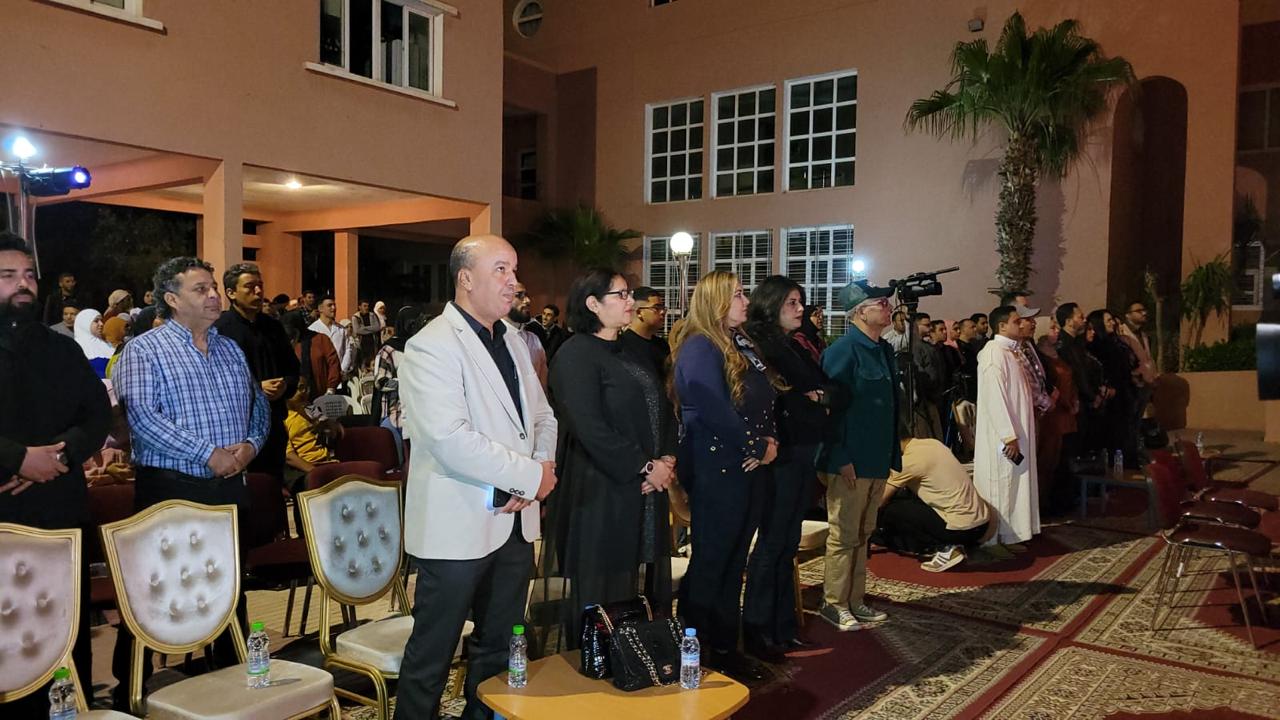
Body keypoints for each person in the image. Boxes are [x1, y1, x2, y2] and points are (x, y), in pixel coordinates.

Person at [396, 234, 558, 720]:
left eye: (514, 270)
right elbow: (449, 438)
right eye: (501, 269)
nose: (514, 282)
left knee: (498, 647)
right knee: (433, 653)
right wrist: (529, 477)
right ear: (465, 278)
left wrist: (541, 466)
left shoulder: (513, 338)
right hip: (457, 524)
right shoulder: (431, 345)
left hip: (513, 523)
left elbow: (543, 417)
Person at [112, 256, 269, 710]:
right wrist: (209, 454)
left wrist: (250, 446)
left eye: (214, 287)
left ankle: (233, 683)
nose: (215, 295)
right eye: (201, 289)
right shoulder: (145, 350)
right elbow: (144, 420)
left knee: (229, 589)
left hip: (229, 487)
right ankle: (130, 691)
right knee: (156, 592)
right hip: (172, 490)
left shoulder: (230, 349)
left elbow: (258, 405)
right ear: (172, 299)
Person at [0, 232, 111, 714]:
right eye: (7, 276)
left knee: (65, 633)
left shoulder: (61, 349)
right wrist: (17, 457)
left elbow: (97, 415)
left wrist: (59, 457)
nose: (23, 284)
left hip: (59, 512)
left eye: (28, 274)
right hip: (3, 512)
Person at [542, 268, 676, 648]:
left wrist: (666, 459)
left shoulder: (629, 350)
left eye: (629, 293)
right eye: (621, 294)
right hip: (600, 488)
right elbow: (589, 427)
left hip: (643, 486)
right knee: (602, 589)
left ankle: (633, 659)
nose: (630, 301)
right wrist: (645, 466)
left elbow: (662, 409)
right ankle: (598, 662)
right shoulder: (575, 355)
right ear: (593, 304)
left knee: (634, 587)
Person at [672, 270, 779, 682]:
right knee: (712, 561)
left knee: (734, 562)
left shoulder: (739, 342)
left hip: (745, 464)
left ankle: (723, 646)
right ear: (715, 300)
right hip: (717, 466)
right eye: (737, 294)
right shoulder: (700, 345)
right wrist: (754, 445)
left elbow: (763, 399)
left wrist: (769, 442)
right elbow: (711, 407)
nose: (745, 301)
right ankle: (693, 649)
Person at [742, 276, 839, 661]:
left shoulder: (791, 344)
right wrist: (809, 397)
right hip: (780, 454)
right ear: (771, 305)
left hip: (801, 450)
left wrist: (815, 396)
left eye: (801, 302)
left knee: (787, 542)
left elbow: (827, 388)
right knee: (773, 542)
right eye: (792, 303)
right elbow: (785, 398)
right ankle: (758, 628)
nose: (801, 309)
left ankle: (783, 626)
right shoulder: (761, 345)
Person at [816, 280, 900, 631]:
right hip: (850, 459)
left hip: (876, 457)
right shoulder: (843, 350)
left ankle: (855, 599)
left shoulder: (883, 350)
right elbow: (829, 411)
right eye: (881, 303)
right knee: (844, 534)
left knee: (864, 533)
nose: (888, 307)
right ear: (860, 312)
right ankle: (834, 602)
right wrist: (839, 456)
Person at [214, 262, 300, 482]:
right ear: (231, 293)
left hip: (272, 427)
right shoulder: (219, 329)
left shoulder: (273, 327)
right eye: (250, 286)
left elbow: (292, 368)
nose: (259, 291)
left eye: (260, 285)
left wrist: (284, 386)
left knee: (270, 489)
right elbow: (212, 381)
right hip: (235, 432)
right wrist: (256, 389)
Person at [973, 305, 1040, 549]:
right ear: (1001, 326)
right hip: (1003, 437)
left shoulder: (1011, 352)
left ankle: (1011, 535)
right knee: (1001, 485)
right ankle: (994, 539)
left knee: (1014, 484)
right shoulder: (993, 353)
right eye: (1016, 321)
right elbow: (995, 397)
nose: (1021, 324)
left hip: (1017, 431)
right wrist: (1008, 435)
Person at [877, 433, 994, 572]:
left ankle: (944, 548)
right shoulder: (933, 443)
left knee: (892, 510)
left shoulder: (907, 462)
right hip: (983, 525)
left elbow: (879, 501)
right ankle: (958, 544)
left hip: (961, 530)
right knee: (911, 499)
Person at [1036, 320, 1078, 513]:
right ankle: (1045, 503)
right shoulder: (1041, 360)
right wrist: (1064, 401)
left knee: (1063, 459)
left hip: (1066, 414)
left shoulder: (1059, 355)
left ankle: (1061, 500)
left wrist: (1074, 400)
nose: (1057, 331)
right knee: (1048, 460)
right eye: (1052, 328)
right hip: (1052, 416)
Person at [373, 305, 426, 441]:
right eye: (411, 324)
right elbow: (380, 381)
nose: (414, 327)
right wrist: (405, 383)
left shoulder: (421, 348)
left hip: (419, 414)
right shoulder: (389, 350)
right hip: (394, 414)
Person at [503, 281, 548, 389]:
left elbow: (542, 386)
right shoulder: (491, 339)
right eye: (519, 296)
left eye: (526, 295)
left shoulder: (534, 340)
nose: (527, 300)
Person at [619, 285, 671, 377]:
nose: (662, 312)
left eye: (663, 308)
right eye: (656, 308)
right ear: (639, 312)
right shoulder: (622, 346)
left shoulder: (661, 345)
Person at [311, 296, 355, 379]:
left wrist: (343, 369)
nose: (333, 308)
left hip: (340, 374)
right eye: (329, 305)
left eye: (334, 305)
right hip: (321, 376)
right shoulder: (313, 329)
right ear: (320, 309)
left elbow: (348, 349)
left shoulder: (341, 329)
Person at [74, 308, 114, 378]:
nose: (101, 324)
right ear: (85, 323)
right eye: (96, 321)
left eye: (101, 320)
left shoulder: (108, 344)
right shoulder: (75, 347)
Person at [351, 298, 383, 373]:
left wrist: (364, 329)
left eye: (367, 306)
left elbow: (377, 327)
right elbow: (357, 330)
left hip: (372, 343)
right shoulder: (355, 317)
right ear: (359, 307)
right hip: (361, 343)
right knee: (363, 363)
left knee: (373, 362)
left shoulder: (372, 315)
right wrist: (371, 329)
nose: (366, 308)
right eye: (364, 306)